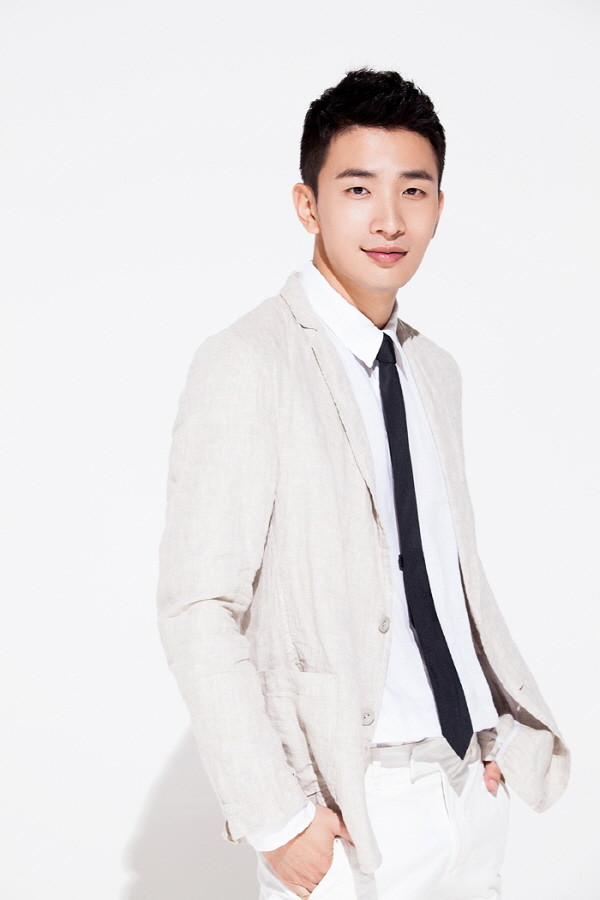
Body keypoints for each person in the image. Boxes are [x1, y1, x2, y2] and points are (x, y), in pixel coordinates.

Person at [157, 69, 569, 899]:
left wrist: (490, 735)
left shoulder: (433, 371)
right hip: (353, 810)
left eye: (413, 190)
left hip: (469, 791)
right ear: (307, 204)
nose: (389, 219)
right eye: (357, 189)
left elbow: (440, 576)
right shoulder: (249, 362)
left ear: (439, 206)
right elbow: (199, 605)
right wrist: (279, 820)